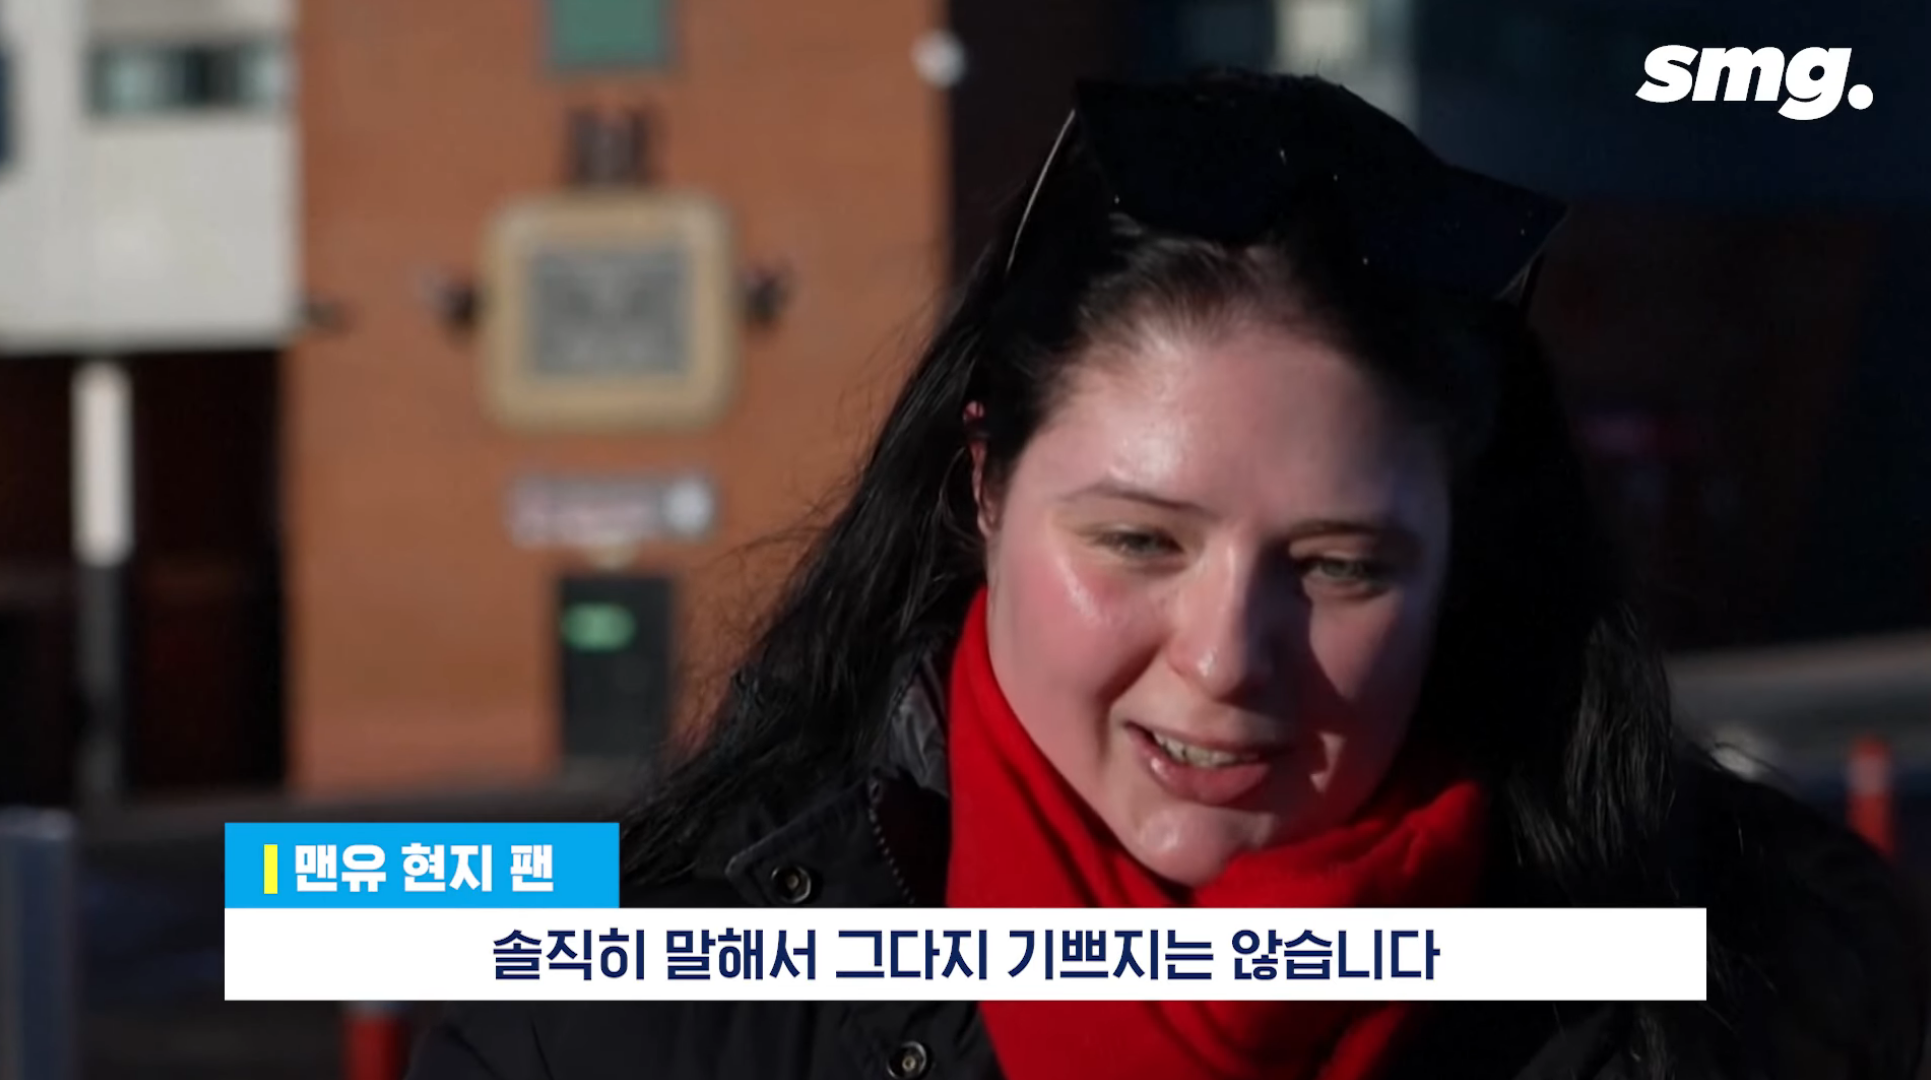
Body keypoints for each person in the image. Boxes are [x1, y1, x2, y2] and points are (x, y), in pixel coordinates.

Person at [408, 71, 1928, 1080]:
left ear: (1463, 554)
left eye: (1339, 565)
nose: (1224, 658)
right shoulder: (611, 1024)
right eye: (1138, 540)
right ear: (984, 485)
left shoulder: (1768, 988)